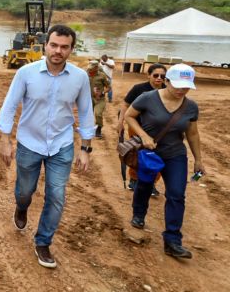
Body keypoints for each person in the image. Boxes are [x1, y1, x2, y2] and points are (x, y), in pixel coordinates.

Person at [0, 24, 95, 269]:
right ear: (46, 45)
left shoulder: (80, 78)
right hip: (29, 142)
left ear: (71, 49)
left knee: (57, 195)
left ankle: (43, 242)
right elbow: (10, 105)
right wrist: (5, 139)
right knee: (24, 191)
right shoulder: (26, 73)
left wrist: (85, 148)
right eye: (54, 45)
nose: (58, 51)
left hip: (62, 144)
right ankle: (22, 207)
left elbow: (86, 112)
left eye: (64, 47)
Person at [125, 64, 203, 259]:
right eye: (177, 85)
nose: (181, 90)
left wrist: (198, 160)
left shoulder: (191, 107)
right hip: (149, 154)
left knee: (177, 194)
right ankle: (139, 214)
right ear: (166, 81)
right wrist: (143, 135)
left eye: (186, 87)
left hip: (175, 155)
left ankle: (172, 240)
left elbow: (192, 133)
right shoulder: (147, 98)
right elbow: (129, 116)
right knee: (144, 185)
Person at [117, 64, 167, 194]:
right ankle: (134, 179)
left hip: (159, 131)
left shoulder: (167, 90)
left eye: (162, 76)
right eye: (156, 75)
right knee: (137, 154)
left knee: (158, 156)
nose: (159, 78)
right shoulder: (139, 89)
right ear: (149, 75)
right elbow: (125, 104)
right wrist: (120, 122)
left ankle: (152, 183)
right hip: (137, 126)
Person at [87, 60, 111, 139]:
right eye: (89, 68)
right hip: (88, 99)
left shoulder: (102, 76)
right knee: (88, 115)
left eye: (91, 68)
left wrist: (102, 92)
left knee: (98, 114)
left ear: (96, 68)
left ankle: (98, 129)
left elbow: (109, 87)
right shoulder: (85, 74)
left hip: (99, 99)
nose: (89, 70)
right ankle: (89, 129)